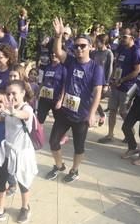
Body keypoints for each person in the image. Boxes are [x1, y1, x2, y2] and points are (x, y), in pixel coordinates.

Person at [45, 17, 104, 183]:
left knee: (79, 147)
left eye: (83, 46)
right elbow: (58, 52)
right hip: (65, 111)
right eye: (76, 46)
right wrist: (58, 37)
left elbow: (98, 92)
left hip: (82, 115)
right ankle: (59, 165)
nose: (79, 49)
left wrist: (92, 114)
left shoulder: (96, 68)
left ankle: (74, 170)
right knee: (53, 141)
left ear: (90, 47)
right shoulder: (70, 61)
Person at [0, 81, 38, 224]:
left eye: (14, 93)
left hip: (22, 152)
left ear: (23, 93)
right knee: (0, 179)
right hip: (7, 150)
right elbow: (2, 118)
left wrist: (12, 111)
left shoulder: (27, 109)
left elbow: (23, 115)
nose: (11, 96)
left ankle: (25, 207)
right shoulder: (8, 109)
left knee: (23, 181)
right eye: (8, 93)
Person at [99, 29, 140, 143]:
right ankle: (110, 135)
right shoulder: (122, 48)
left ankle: (130, 132)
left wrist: (123, 79)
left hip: (128, 86)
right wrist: (113, 79)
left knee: (123, 112)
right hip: (116, 84)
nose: (122, 39)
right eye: (122, 37)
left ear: (132, 38)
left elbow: (137, 70)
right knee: (112, 109)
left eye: (125, 37)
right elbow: (116, 64)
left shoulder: (136, 51)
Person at [36, 51, 66, 124]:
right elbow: (43, 81)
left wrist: (61, 100)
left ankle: (61, 135)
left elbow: (65, 85)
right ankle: (38, 135)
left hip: (56, 99)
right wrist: (37, 93)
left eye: (56, 53)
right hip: (44, 97)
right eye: (52, 53)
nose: (53, 54)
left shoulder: (63, 68)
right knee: (39, 120)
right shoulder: (47, 67)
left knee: (59, 123)